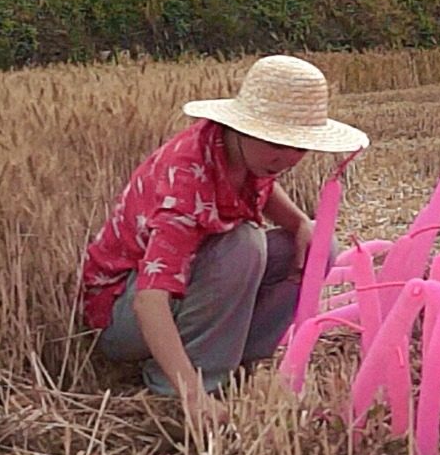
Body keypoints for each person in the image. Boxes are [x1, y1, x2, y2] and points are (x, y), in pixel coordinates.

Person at [77, 54, 368, 424]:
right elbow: (150, 300)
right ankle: (188, 383)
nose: (288, 158)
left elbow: (263, 188)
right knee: (243, 245)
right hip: (122, 318)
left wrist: (300, 224)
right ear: (242, 128)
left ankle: (240, 358)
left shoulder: (243, 153)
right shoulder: (184, 183)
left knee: (319, 248)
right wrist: (191, 394)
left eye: (299, 146)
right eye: (277, 143)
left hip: (181, 293)